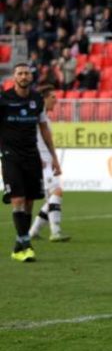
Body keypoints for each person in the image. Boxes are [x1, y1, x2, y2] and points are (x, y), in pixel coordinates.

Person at [1, 64, 61, 262]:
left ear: (31, 77)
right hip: (11, 156)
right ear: (14, 77)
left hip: (32, 156)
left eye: (27, 73)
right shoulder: (4, 99)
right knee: (17, 200)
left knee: (29, 203)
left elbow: (44, 129)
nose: (24, 76)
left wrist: (53, 157)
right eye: (20, 73)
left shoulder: (36, 99)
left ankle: (20, 244)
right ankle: (26, 244)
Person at [29, 86, 70, 242]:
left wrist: (55, 160)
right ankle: (56, 231)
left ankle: (33, 231)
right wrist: (36, 157)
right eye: (53, 97)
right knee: (57, 192)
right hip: (42, 163)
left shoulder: (45, 119)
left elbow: (46, 142)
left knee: (51, 198)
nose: (56, 100)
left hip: (48, 161)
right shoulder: (35, 119)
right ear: (44, 99)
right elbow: (29, 139)